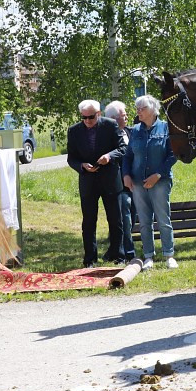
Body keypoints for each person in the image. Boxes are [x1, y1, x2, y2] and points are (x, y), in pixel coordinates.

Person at [67, 99, 128, 267]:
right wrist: (82, 166)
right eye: (84, 118)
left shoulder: (110, 125)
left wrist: (109, 156)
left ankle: (118, 255)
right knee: (88, 221)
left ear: (99, 114)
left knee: (115, 219)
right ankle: (90, 259)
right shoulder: (74, 131)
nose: (87, 121)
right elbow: (71, 158)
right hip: (88, 181)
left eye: (91, 117)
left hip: (110, 179)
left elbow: (122, 148)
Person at [123, 94, 179, 269]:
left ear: (153, 110)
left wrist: (158, 175)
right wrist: (126, 175)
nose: (138, 111)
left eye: (142, 108)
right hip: (138, 183)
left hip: (160, 182)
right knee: (144, 221)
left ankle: (169, 255)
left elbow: (173, 155)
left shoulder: (165, 128)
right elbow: (128, 156)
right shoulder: (135, 131)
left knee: (163, 219)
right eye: (137, 108)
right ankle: (148, 256)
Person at [105, 100, 136, 263]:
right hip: (118, 185)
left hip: (136, 184)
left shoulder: (132, 132)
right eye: (124, 115)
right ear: (114, 119)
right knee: (124, 219)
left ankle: (114, 250)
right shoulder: (107, 137)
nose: (127, 117)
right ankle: (127, 254)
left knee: (132, 218)